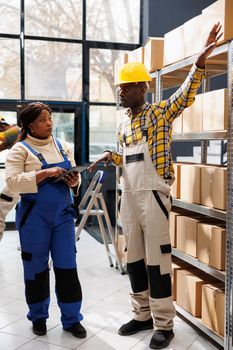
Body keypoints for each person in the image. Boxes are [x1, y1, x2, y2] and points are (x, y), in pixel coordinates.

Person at [89, 23, 223, 349]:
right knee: (132, 258)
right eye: (119, 88)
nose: (120, 92)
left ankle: (164, 323)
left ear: (142, 88)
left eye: (125, 88)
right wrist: (112, 156)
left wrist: (201, 61)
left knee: (157, 260)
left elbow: (186, 94)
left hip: (154, 196)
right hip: (129, 196)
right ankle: (141, 315)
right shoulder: (124, 124)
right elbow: (127, 159)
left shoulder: (159, 113)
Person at [5, 102, 86, 338]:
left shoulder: (63, 147)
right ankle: (38, 317)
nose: (49, 123)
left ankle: (72, 319)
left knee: (67, 269)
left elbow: (75, 177)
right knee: (36, 270)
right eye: (42, 120)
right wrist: (44, 173)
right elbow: (12, 183)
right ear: (30, 125)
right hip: (34, 220)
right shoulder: (20, 150)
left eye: (49, 118)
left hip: (62, 217)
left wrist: (74, 183)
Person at [0, 117, 20, 240]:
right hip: (20, 178)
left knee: (0, 209)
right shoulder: (13, 137)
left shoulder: (15, 130)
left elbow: (1, 137)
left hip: (21, 178)